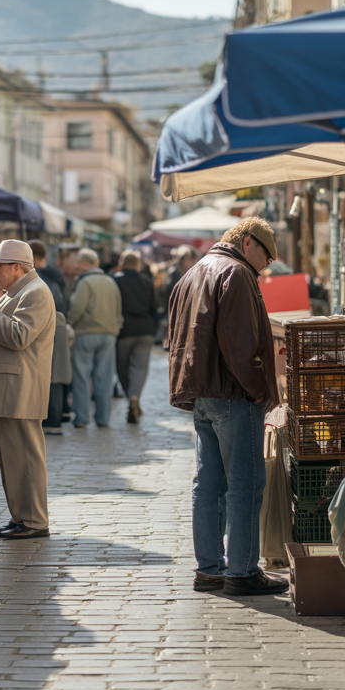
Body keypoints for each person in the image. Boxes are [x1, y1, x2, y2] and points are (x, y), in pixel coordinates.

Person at [168, 217, 288, 597]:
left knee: (209, 484)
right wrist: (258, 388)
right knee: (245, 484)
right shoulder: (235, 272)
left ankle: (209, 570)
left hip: (204, 393)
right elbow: (239, 345)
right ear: (248, 242)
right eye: (265, 258)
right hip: (233, 393)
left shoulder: (193, 272)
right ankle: (241, 570)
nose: (264, 268)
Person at [0, 240, 56, 539]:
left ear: (17, 267)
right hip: (9, 388)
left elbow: (19, 336)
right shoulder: (19, 291)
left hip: (20, 389)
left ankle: (33, 521)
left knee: (26, 457)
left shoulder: (36, 293)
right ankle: (21, 517)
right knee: (13, 459)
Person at [66, 248, 121, 429]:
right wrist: (114, 329)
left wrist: (69, 323)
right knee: (104, 378)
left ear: (85, 263)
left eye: (78, 263)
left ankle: (81, 419)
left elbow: (78, 308)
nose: (76, 267)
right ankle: (103, 418)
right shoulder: (110, 281)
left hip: (86, 333)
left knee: (81, 377)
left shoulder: (85, 282)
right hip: (108, 335)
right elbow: (118, 310)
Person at [29, 240, 71, 433]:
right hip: (59, 326)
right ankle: (58, 415)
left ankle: (50, 418)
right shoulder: (57, 276)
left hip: (45, 326)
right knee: (57, 372)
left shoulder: (38, 279)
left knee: (48, 373)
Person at [112, 250, 158, 424]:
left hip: (124, 330)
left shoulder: (116, 280)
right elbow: (154, 306)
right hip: (145, 329)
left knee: (121, 367)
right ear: (138, 264)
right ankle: (134, 398)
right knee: (140, 368)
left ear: (123, 262)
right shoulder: (147, 281)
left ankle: (131, 398)